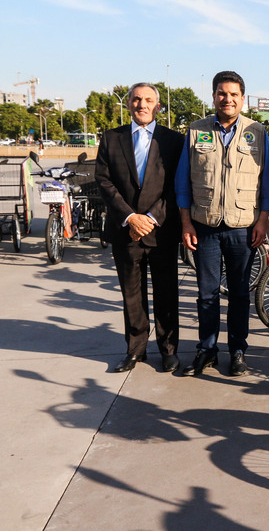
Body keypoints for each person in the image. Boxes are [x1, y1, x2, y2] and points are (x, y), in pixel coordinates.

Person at [176, 71, 269, 377]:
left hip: (243, 227)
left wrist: (262, 220)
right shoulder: (196, 131)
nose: (227, 99)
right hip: (204, 226)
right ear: (213, 96)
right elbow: (183, 181)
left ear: (242, 99)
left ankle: (237, 351)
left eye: (234, 94)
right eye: (222, 93)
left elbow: (268, 182)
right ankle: (206, 349)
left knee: (239, 294)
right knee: (206, 293)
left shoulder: (257, 132)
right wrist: (186, 224)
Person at [95, 82, 184, 373]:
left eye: (148, 100)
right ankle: (135, 350)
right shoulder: (111, 138)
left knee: (166, 291)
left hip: (161, 231)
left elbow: (176, 186)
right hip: (125, 230)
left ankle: (169, 349)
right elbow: (104, 181)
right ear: (129, 104)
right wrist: (131, 217)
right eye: (136, 99)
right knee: (131, 294)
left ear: (158, 106)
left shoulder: (174, 141)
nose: (142, 105)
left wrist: (151, 218)